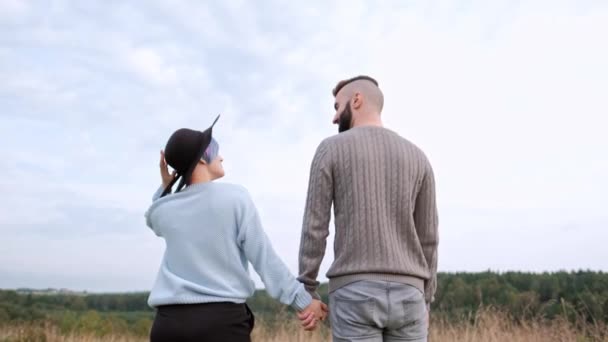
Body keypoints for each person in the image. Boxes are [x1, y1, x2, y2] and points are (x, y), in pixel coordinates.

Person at [144, 115, 327, 342]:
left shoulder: (165, 210)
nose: (220, 155)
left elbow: (154, 215)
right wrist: (304, 301)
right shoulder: (235, 198)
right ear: (201, 159)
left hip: (168, 326)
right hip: (220, 325)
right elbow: (264, 259)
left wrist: (166, 186)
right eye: (214, 148)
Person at [297, 76, 439, 341]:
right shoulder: (419, 157)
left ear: (357, 100)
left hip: (354, 294)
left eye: (338, 107)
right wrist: (426, 298)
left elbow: (315, 227)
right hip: (410, 296)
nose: (335, 117)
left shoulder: (330, 149)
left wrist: (307, 288)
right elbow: (428, 238)